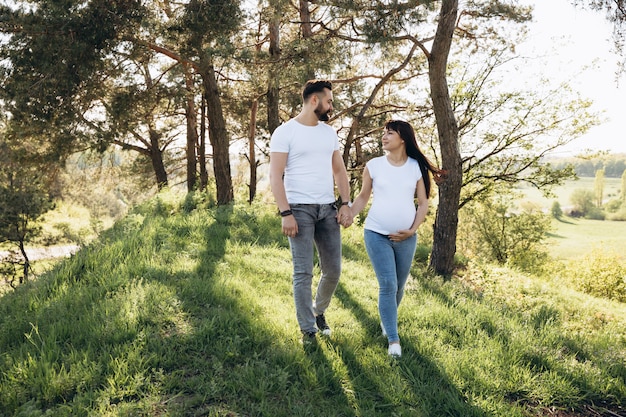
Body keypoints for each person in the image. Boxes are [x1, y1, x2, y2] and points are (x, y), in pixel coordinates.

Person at [349, 120, 444, 357]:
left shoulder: (414, 167)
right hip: (376, 233)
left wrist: (412, 230)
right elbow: (362, 197)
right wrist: (349, 213)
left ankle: (386, 320)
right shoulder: (374, 165)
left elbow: (423, 203)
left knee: (399, 287)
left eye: (389, 133)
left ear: (402, 138)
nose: (384, 136)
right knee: (388, 285)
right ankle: (393, 339)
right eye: (383, 133)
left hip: (406, 238)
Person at [269, 79, 353, 343]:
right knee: (303, 272)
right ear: (314, 100)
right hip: (299, 210)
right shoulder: (285, 132)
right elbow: (275, 175)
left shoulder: (329, 133)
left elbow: (339, 171)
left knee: (333, 270)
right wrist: (286, 213)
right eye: (329, 101)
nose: (331, 106)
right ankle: (308, 330)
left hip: (327, 210)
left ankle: (318, 312)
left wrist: (345, 203)